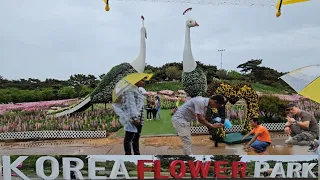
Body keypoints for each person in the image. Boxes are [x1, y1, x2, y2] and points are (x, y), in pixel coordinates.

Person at [112, 77, 147, 155]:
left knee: (136, 138)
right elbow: (130, 105)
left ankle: (137, 154)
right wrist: (134, 118)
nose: (144, 82)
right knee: (129, 138)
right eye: (142, 80)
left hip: (139, 118)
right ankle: (128, 155)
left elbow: (139, 104)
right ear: (136, 80)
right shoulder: (129, 90)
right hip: (133, 118)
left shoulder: (136, 89)